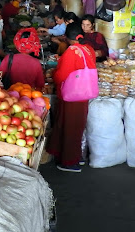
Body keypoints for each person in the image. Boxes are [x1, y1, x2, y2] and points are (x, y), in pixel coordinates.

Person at [47, 23, 96, 173]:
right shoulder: (89, 49)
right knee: (75, 127)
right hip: (84, 94)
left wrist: (52, 75)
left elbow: (61, 75)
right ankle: (71, 154)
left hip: (71, 96)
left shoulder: (71, 52)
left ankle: (69, 161)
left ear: (67, 38)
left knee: (69, 128)